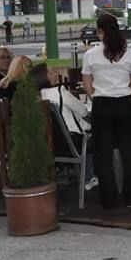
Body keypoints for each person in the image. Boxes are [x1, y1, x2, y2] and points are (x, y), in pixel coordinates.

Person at [82, 14, 131, 209]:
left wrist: (98, 97)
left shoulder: (90, 55)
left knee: (103, 154)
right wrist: (125, 95)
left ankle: (108, 199)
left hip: (102, 104)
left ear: (100, 32)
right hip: (125, 103)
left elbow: (87, 86)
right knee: (128, 152)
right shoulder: (130, 53)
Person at [31, 63, 97, 191]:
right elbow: (83, 111)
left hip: (49, 143)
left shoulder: (34, 97)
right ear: (43, 77)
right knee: (98, 136)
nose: (56, 74)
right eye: (51, 72)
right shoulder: (59, 92)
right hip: (73, 142)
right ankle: (89, 177)